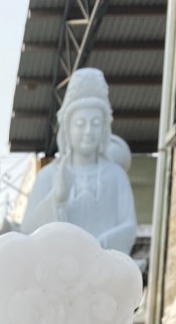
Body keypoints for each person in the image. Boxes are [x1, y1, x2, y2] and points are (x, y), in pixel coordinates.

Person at [21, 67, 137, 256]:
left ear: (104, 129)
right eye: (80, 124)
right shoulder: (48, 176)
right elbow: (27, 233)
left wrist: (100, 246)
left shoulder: (116, 176)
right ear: (67, 129)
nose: (88, 131)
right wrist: (56, 199)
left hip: (104, 269)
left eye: (95, 123)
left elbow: (129, 226)